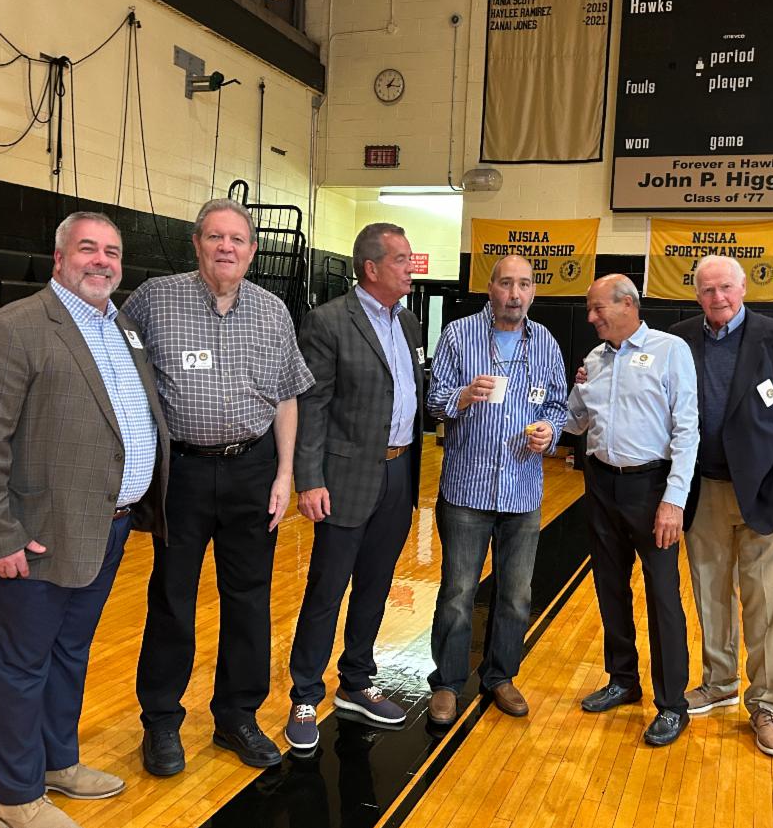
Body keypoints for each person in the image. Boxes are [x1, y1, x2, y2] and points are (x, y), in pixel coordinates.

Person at [0, 213, 168, 828]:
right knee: (17, 666)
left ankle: (56, 762)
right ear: (59, 258)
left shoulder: (123, 328)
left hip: (104, 526)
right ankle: (15, 797)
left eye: (112, 252)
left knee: (68, 654)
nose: (102, 261)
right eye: (87, 249)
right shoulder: (12, 328)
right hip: (32, 535)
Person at [126, 198, 313, 776]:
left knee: (249, 599)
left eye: (236, 239)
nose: (225, 247)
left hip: (252, 471)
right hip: (180, 473)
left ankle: (237, 715)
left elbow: (287, 396)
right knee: (172, 596)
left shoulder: (273, 311)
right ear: (197, 244)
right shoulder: (154, 299)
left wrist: (284, 473)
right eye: (214, 237)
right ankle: (161, 721)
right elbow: (117, 366)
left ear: (252, 251)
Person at [670, 255, 773, 758]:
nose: (718, 298)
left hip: (765, 492)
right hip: (703, 490)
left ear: (743, 289)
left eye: (726, 288)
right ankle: (719, 683)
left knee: (766, 605)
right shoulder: (679, 339)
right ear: (697, 295)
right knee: (710, 594)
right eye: (708, 290)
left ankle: (766, 705)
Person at [285, 222, 423, 751]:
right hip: (344, 477)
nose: (410, 268)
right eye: (401, 260)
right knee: (327, 588)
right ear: (371, 268)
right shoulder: (328, 321)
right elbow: (313, 405)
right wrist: (309, 479)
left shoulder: (407, 321)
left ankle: (357, 680)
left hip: (399, 472)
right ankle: (304, 694)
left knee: (376, 584)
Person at [424, 255, 568, 722]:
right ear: (490, 288)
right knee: (457, 592)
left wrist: (550, 431)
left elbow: (559, 406)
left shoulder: (545, 342)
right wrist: (463, 396)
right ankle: (447, 682)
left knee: (516, 595)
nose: (515, 293)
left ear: (533, 291)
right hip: (467, 491)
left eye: (524, 284)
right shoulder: (458, 335)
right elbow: (435, 402)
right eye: (506, 283)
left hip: (522, 493)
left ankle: (500, 675)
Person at [565, 274, 699, 747]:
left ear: (627, 305)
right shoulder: (594, 360)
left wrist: (674, 500)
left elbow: (687, 429)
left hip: (652, 488)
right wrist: (574, 391)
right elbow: (576, 422)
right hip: (601, 484)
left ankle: (672, 704)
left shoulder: (670, 350)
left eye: (598, 308)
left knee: (663, 595)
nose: (591, 317)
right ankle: (623, 679)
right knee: (609, 587)